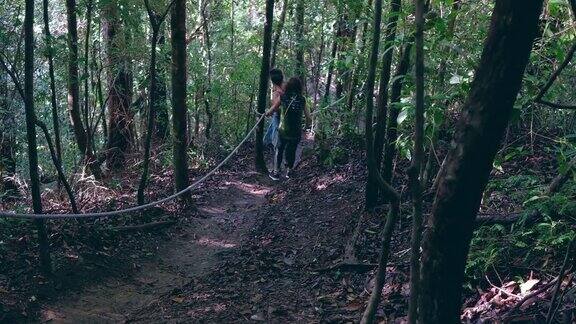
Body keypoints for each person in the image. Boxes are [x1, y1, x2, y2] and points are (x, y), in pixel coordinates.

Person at [266, 77, 306, 181]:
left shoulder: (283, 97)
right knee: (291, 151)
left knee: (279, 149)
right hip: (296, 131)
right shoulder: (302, 99)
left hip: (283, 130)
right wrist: (307, 126)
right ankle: (289, 172)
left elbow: (274, 108)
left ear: (288, 86)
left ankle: (276, 173)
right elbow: (309, 117)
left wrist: (267, 113)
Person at [263, 68, 285, 149]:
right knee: (272, 127)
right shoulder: (284, 87)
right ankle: (266, 142)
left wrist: (269, 112)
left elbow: (276, 107)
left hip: (280, 115)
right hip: (280, 114)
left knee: (276, 130)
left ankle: (276, 147)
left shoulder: (277, 92)